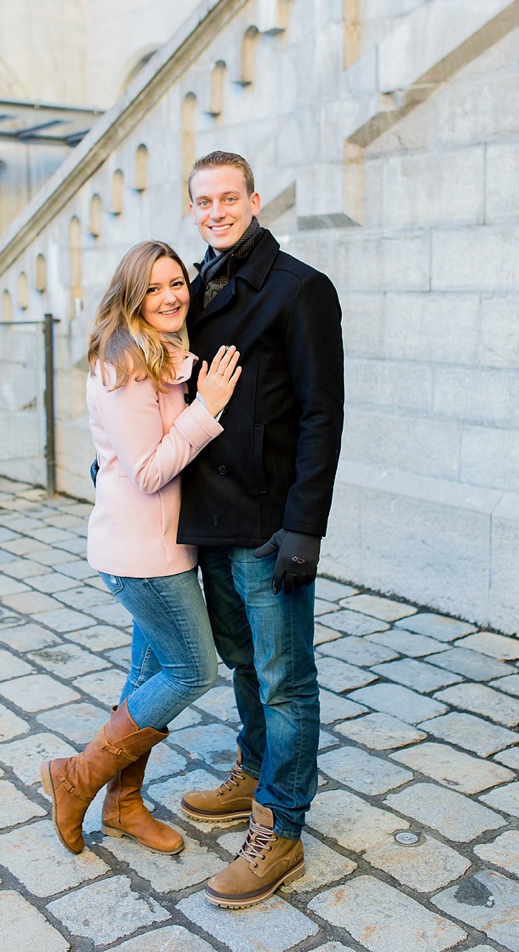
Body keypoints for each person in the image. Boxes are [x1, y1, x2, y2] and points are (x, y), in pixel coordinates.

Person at [174, 151, 345, 910]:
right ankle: (251, 771)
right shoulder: (193, 285)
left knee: (285, 680)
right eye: (204, 201)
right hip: (210, 520)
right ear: (194, 209)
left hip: (272, 525)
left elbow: (321, 414)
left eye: (229, 198)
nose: (217, 211)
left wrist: (306, 528)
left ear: (255, 198)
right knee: (243, 661)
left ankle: (281, 829)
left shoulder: (301, 289)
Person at [42, 240, 240, 857]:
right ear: (130, 296)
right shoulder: (123, 367)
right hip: (141, 553)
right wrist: (208, 407)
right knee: (194, 670)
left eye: (176, 282)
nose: (170, 296)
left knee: (147, 674)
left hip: (161, 545)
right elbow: (148, 470)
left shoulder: (160, 355)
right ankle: (77, 777)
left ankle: (124, 807)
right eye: (152, 288)